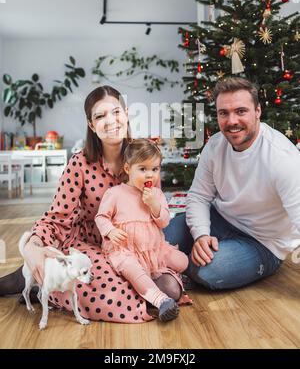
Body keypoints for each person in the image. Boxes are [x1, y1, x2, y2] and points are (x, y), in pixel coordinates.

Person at [0, 86, 182, 323]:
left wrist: (155, 206)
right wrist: (33, 245)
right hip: (91, 244)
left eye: (116, 112)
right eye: (100, 116)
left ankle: (45, 283)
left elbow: (160, 213)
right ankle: (44, 284)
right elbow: (56, 216)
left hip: (137, 246)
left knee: (170, 289)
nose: (111, 121)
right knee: (114, 294)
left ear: (126, 114)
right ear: (91, 124)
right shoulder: (80, 163)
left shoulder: (143, 157)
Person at [164, 77, 300, 290]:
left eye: (241, 111)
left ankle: (165, 269)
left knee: (210, 270)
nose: (232, 121)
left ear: (257, 111)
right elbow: (199, 196)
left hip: (262, 242)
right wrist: (201, 234)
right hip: (220, 219)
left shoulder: (282, 159)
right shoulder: (215, 145)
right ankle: (166, 267)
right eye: (223, 113)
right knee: (161, 237)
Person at [95, 139, 189, 322]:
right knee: (132, 268)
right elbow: (101, 217)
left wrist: (154, 205)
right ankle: (161, 301)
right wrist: (110, 231)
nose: (150, 175)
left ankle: (180, 278)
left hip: (153, 248)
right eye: (143, 169)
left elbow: (163, 223)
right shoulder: (115, 194)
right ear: (128, 169)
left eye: (155, 169)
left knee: (182, 260)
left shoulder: (157, 194)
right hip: (125, 249)